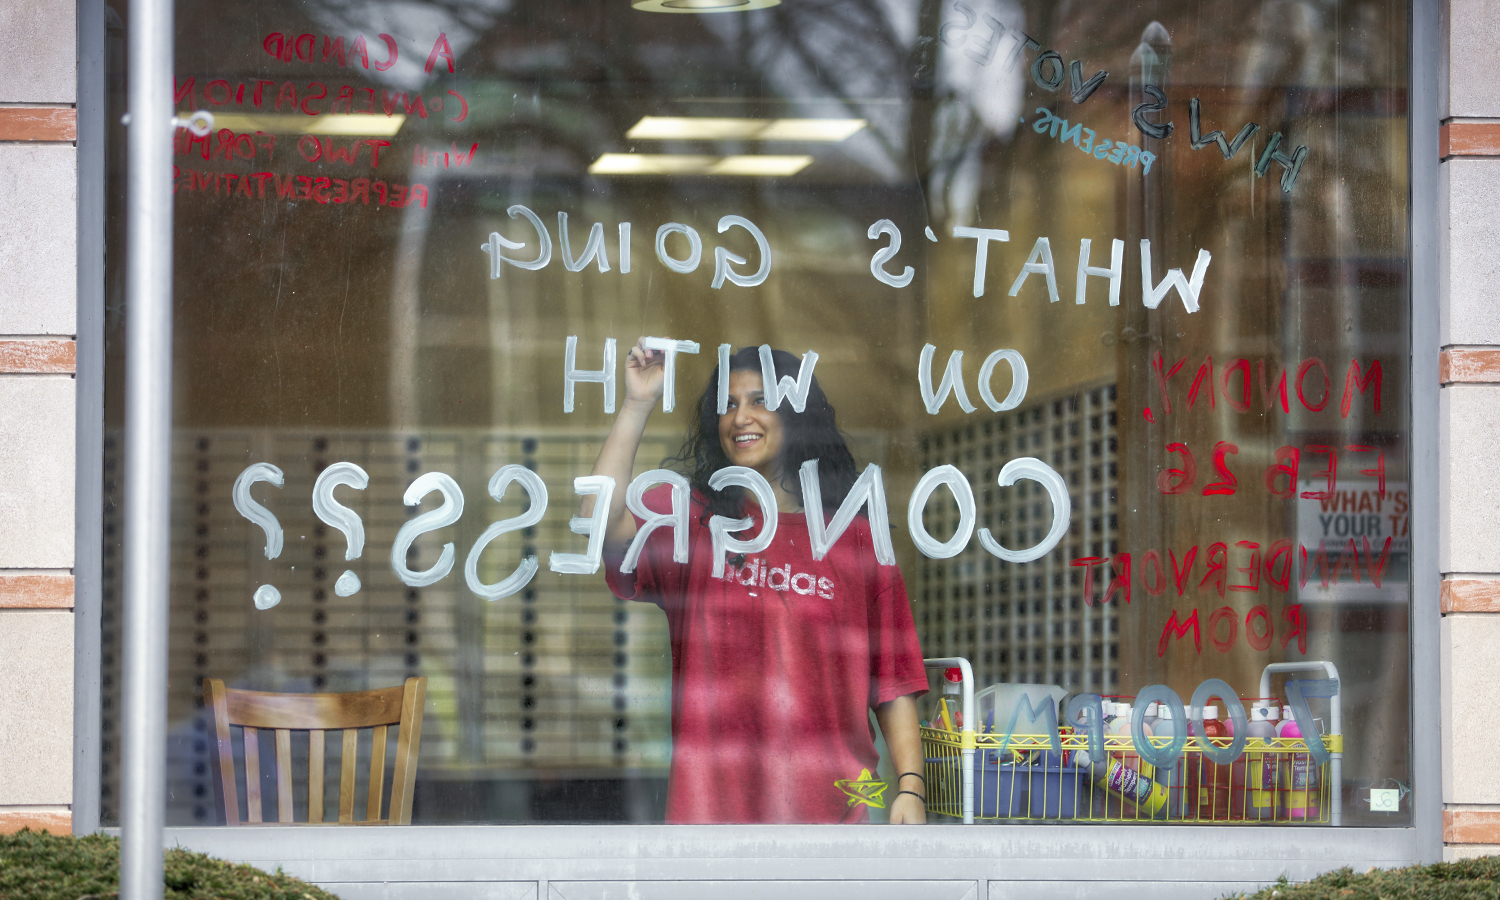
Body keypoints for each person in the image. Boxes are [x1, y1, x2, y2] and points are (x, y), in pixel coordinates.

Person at [584, 340, 929, 824]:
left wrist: (910, 788)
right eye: (727, 405)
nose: (740, 417)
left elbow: (893, 683)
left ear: (797, 415)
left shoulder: (856, 537)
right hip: (708, 822)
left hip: (833, 821)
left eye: (760, 400)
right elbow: (598, 524)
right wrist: (638, 403)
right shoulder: (692, 522)